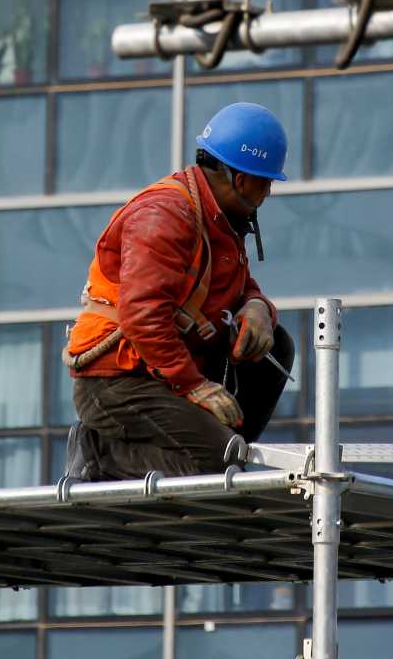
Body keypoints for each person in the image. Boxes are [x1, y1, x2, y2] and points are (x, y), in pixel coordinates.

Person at [62, 102, 296, 481]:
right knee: (218, 466)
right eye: (265, 181)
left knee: (276, 346)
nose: (268, 192)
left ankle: (223, 449)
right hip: (118, 380)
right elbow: (144, 315)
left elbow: (238, 287)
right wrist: (196, 387)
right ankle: (99, 455)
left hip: (164, 371)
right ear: (240, 179)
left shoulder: (219, 218)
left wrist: (256, 309)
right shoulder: (164, 216)